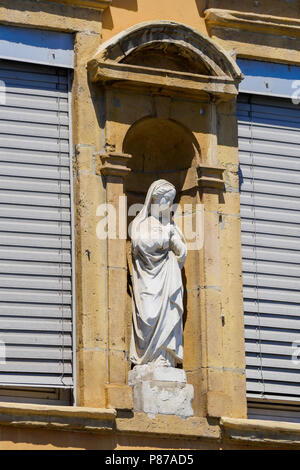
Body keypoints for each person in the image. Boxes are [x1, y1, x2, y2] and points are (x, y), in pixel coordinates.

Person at [129, 179, 187, 368]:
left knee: (169, 315)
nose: (168, 205)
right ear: (154, 199)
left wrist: (175, 242)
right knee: (148, 315)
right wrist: (165, 237)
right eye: (165, 200)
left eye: (171, 201)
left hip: (168, 278)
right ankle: (147, 358)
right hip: (148, 281)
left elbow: (182, 252)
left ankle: (165, 357)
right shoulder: (142, 223)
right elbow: (140, 245)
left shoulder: (171, 225)